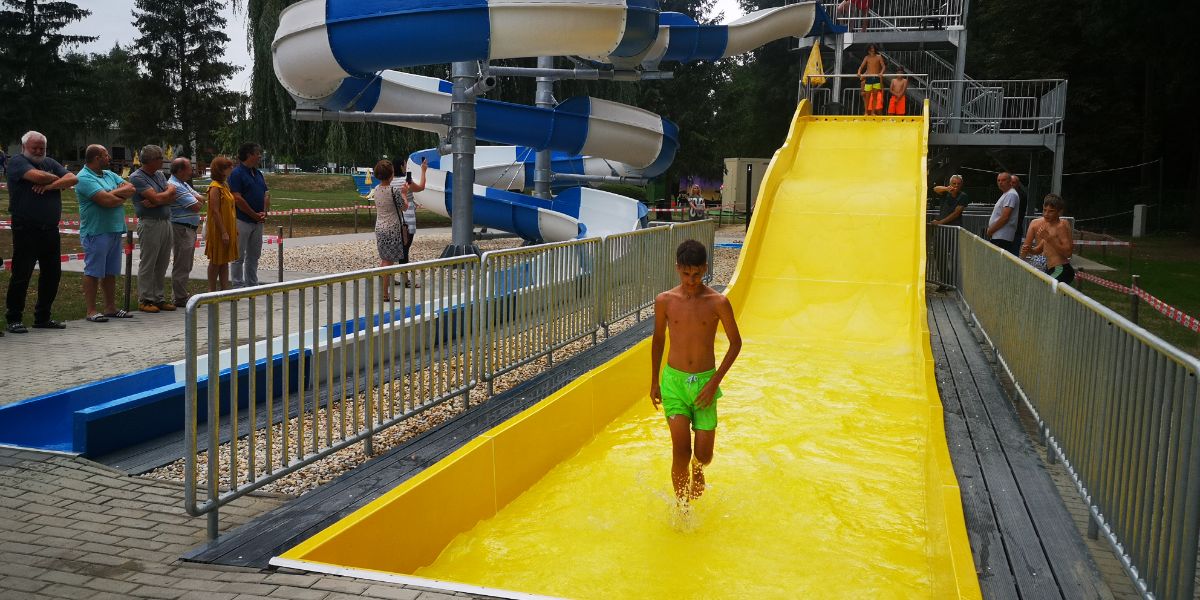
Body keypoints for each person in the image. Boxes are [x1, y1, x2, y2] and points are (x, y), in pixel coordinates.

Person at [650, 240, 742, 505]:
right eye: (686, 274)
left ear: (705, 268)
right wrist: (654, 381)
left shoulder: (718, 302)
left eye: (697, 274)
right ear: (677, 268)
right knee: (680, 451)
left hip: (704, 384)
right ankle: (682, 509)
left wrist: (714, 383)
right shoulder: (665, 301)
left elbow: (736, 343)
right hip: (674, 383)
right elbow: (658, 339)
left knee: (703, 456)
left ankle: (698, 468)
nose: (691, 281)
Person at [4, 131, 75, 334]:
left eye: (41, 148)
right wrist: (57, 180)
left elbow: (72, 178)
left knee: (52, 274)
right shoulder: (17, 162)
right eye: (34, 148)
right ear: (24, 147)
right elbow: (37, 176)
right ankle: (14, 318)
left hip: (50, 229)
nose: (38, 151)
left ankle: (43, 317)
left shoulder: (50, 162)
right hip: (26, 228)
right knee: (22, 274)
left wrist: (50, 185)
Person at [75, 145, 136, 322]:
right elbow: (106, 201)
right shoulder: (83, 177)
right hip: (96, 231)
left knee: (110, 272)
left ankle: (110, 308)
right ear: (97, 158)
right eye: (106, 155)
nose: (109, 157)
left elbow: (131, 188)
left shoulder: (109, 174)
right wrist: (117, 196)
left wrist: (112, 194)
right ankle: (91, 311)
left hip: (115, 229)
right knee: (93, 272)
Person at [130, 145, 178, 312]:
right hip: (149, 223)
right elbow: (159, 197)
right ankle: (145, 299)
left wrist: (161, 198)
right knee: (149, 262)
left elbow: (173, 196)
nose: (162, 161)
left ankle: (159, 298)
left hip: (165, 221)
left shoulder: (159, 174)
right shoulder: (137, 177)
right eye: (160, 158)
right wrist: (163, 197)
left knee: (162, 262)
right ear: (150, 160)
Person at [229, 142, 269, 288]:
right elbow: (237, 198)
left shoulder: (258, 173)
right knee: (238, 255)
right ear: (249, 155)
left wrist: (264, 212)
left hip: (257, 222)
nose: (260, 156)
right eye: (257, 153)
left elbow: (265, 194)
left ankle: (252, 284)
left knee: (254, 255)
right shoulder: (236, 173)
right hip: (242, 220)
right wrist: (253, 214)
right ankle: (237, 285)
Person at [167, 157, 205, 305]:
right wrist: (197, 200)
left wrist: (198, 199)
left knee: (186, 263)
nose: (192, 171)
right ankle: (179, 297)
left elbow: (201, 198)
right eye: (189, 168)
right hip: (181, 229)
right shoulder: (175, 185)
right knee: (182, 263)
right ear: (181, 170)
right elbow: (196, 206)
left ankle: (180, 295)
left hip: (188, 229)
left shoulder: (183, 184)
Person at [1021, 194, 1075, 284]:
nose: (1046, 214)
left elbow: (1068, 252)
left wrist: (1050, 239)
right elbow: (1040, 249)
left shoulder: (1061, 225)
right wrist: (1030, 250)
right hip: (1050, 268)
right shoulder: (1047, 226)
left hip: (1060, 268)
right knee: (1042, 288)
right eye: (1044, 210)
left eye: (1051, 211)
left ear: (1059, 212)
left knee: (1044, 287)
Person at [371, 159, 405, 300]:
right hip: (392, 229)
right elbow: (404, 207)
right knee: (388, 262)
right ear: (391, 175)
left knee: (384, 259)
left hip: (380, 227)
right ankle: (385, 293)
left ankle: (385, 288)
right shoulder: (393, 190)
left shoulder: (376, 189)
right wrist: (404, 193)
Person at [204, 156, 239, 291]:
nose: (231, 168)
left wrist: (233, 228)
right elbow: (215, 211)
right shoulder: (215, 187)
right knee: (215, 260)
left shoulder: (225, 185)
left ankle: (225, 289)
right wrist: (223, 232)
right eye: (228, 166)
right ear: (221, 169)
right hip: (218, 229)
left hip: (228, 227)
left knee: (224, 260)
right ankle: (211, 290)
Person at [396, 157, 428, 287]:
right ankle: (405, 280)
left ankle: (390, 276)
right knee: (405, 250)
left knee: (395, 250)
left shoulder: (390, 181)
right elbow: (421, 187)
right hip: (407, 220)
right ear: (401, 167)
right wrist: (423, 170)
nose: (406, 167)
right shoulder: (406, 181)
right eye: (405, 165)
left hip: (395, 219)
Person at [985, 171, 1020, 254]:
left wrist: (990, 230)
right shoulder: (1007, 194)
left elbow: (1005, 217)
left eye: (1003, 180)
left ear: (1010, 182)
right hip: (999, 236)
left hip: (1002, 237)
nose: (1000, 182)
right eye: (998, 180)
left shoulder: (1011, 195)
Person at [857, 44, 886, 116]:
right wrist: (859, 72)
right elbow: (861, 66)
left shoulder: (879, 57)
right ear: (868, 50)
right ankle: (866, 112)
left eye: (872, 48)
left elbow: (883, 66)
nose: (871, 50)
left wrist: (881, 73)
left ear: (875, 49)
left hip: (876, 77)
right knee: (867, 96)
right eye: (870, 49)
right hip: (869, 77)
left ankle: (873, 112)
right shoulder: (867, 57)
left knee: (875, 96)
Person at [1011, 174, 1030, 243]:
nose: (1011, 184)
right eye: (1010, 182)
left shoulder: (1021, 195)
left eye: (1013, 182)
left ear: (1018, 183)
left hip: (1016, 228)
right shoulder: (1008, 194)